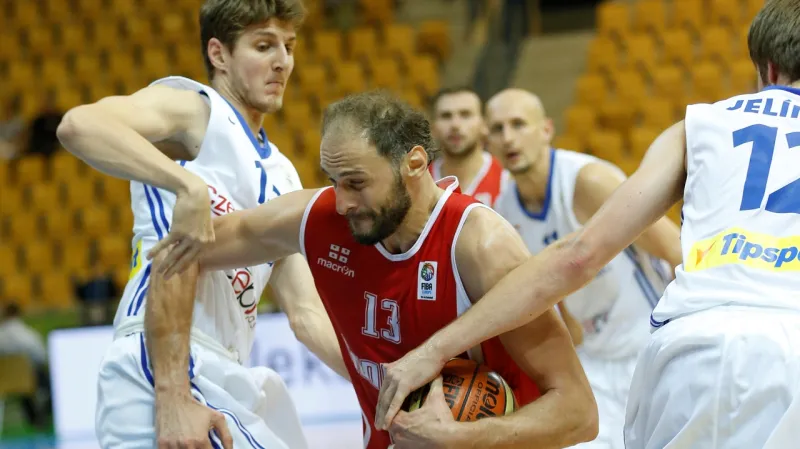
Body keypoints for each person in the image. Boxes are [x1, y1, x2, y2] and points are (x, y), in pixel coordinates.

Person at [375, 1, 800, 447]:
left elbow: (579, 257)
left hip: (694, 351)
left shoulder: (698, 125)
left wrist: (435, 349)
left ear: (767, 70)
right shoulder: (505, 201)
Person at [150, 90, 599, 449]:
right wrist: (171, 394)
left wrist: (460, 438)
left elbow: (579, 413)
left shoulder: (480, 245)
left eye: (357, 183)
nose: (342, 201)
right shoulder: (321, 219)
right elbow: (182, 253)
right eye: (333, 181)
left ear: (415, 164)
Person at [56, 1, 346, 448]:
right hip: (161, 360)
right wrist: (184, 184)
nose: (282, 61)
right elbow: (79, 125)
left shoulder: (286, 176)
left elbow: (306, 315)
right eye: (264, 45)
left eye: (288, 47)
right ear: (219, 54)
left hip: (227, 369)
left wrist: (384, 381)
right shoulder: (197, 109)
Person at [485, 88, 681, 448]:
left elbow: (675, 247)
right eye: (497, 129)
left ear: (545, 129)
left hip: (651, 346)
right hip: (595, 361)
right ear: (488, 142)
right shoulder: (504, 209)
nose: (508, 137)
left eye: (518, 124)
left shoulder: (586, 182)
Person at [428, 86, 507, 206]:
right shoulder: (420, 182)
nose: (455, 125)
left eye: (465, 115)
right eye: (446, 116)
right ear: (433, 128)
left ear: (484, 124)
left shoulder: (506, 180)